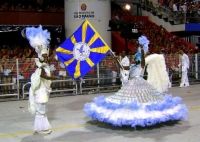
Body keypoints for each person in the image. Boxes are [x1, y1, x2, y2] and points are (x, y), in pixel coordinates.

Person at [84, 36, 188, 127]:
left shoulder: (140, 65)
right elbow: (122, 67)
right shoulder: (132, 65)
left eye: (135, 58)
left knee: (141, 101)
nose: (133, 58)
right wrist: (116, 59)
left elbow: (142, 62)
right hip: (130, 84)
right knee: (129, 101)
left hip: (139, 83)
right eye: (134, 57)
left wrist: (142, 52)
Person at [24, 25, 57, 134]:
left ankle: (39, 128)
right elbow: (43, 75)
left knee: (41, 110)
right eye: (44, 55)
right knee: (41, 109)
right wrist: (52, 77)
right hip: (41, 91)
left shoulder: (44, 64)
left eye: (46, 55)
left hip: (42, 89)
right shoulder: (42, 66)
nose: (47, 56)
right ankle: (42, 128)